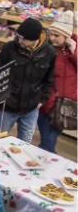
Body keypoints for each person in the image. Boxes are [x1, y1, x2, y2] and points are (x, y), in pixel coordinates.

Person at [0, 17, 56, 143]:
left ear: (35, 39)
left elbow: (50, 79)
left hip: (31, 108)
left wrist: (42, 100)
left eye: (24, 38)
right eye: (19, 36)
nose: (19, 40)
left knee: (26, 143)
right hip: (8, 106)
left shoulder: (50, 53)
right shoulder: (9, 48)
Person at [37, 13, 76, 153]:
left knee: (48, 142)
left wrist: (74, 52)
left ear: (67, 36)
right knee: (47, 140)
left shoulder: (73, 50)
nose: (52, 38)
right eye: (51, 34)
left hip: (64, 106)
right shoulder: (47, 48)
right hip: (46, 102)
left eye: (56, 35)